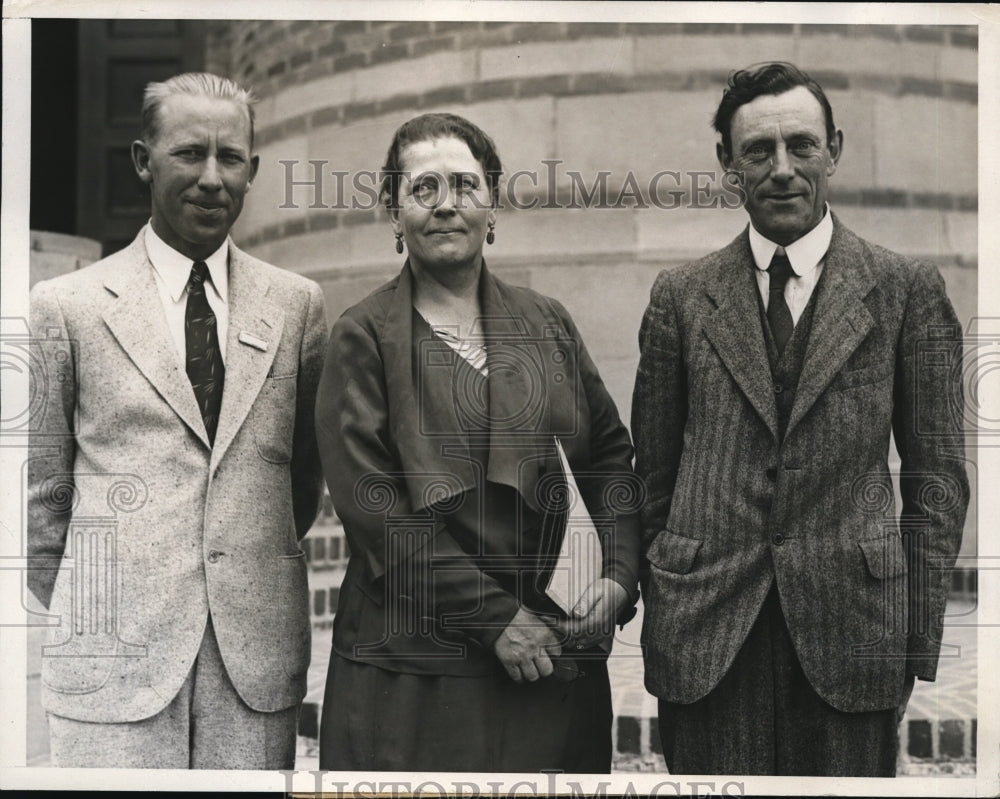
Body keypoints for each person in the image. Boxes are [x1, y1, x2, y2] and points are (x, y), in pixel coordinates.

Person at [632, 62, 969, 776]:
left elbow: (937, 479)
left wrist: (913, 640)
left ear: (835, 150)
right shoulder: (682, 298)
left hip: (854, 632)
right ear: (727, 165)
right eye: (758, 151)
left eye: (801, 146)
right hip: (708, 633)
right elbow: (652, 473)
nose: (782, 169)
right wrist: (663, 594)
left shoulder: (905, 291)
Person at [315, 112, 640, 772]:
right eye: (423, 187)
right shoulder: (363, 337)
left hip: (548, 658)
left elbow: (610, 455)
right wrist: (497, 619)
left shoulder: (546, 320)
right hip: (416, 670)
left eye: (465, 185)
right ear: (393, 210)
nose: (445, 205)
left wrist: (617, 573)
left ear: (492, 203)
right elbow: (377, 512)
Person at [27, 72, 327, 769]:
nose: (212, 178)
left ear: (252, 171)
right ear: (143, 160)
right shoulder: (67, 306)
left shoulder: (297, 306)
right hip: (110, 663)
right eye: (190, 153)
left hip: (250, 663)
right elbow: (43, 502)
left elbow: (298, 486)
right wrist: (105, 596)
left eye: (231, 158)